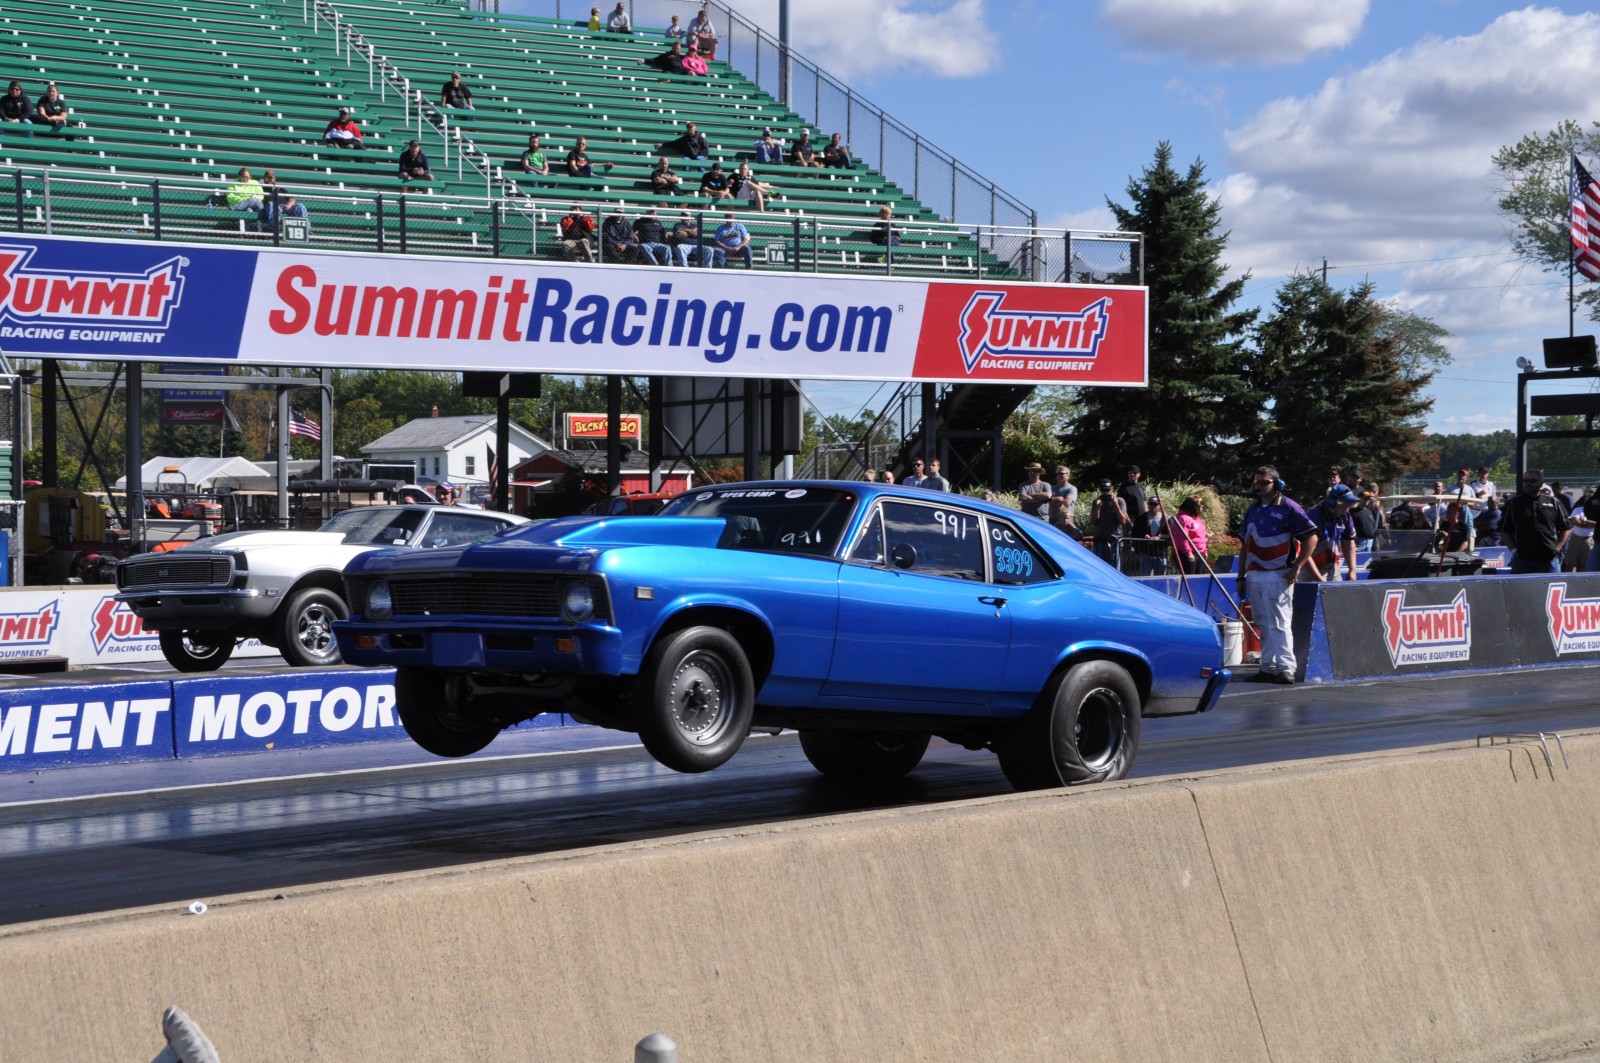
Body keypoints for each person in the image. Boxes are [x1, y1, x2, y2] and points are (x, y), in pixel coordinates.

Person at [1237, 466, 1318, 684]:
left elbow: (1312, 537)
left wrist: (1297, 567)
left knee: (1280, 622)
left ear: (1277, 484)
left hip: (1278, 573)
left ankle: (1286, 667)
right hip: (1254, 573)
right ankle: (1267, 666)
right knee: (1263, 622)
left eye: (1264, 482)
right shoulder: (1253, 509)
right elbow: (1244, 545)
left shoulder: (1288, 506)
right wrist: (1240, 576)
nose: (1259, 486)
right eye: (1256, 482)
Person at [1501, 468, 1569, 574]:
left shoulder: (1554, 502)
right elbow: (1504, 530)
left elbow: (1567, 527)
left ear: (1541, 483)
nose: (1528, 483)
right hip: (1523, 560)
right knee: (1520, 585)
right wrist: (1514, 550)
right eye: (1525, 481)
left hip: (1549, 560)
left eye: (1533, 481)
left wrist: (1557, 548)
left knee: (1552, 585)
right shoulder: (1514, 504)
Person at [1305, 484, 1359, 582]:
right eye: (1343, 506)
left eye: (1348, 506)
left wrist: (1352, 570)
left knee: (1337, 591)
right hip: (1308, 567)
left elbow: (1348, 542)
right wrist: (1319, 580)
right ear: (1332, 502)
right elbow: (1304, 552)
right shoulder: (1313, 517)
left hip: (1331, 567)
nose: (1346, 509)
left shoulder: (1345, 516)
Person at [1089, 479, 1130, 566]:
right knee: (1099, 566)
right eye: (1104, 490)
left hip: (1115, 540)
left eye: (1108, 490)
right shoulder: (1096, 501)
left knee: (1115, 567)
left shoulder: (1120, 501)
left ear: (1112, 489)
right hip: (1100, 540)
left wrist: (1116, 506)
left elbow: (1123, 521)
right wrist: (1098, 508)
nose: (1106, 493)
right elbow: (1093, 521)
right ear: (1100, 490)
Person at [1173, 495, 1209, 575]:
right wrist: (1188, 553)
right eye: (1200, 504)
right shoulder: (1183, 518)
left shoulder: (1197, 519)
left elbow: (1202, 535)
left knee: (1200, 577)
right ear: (1193, 506)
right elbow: (1181, 538)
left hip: (1200, 552)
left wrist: (1205, 551)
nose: (1202, 506)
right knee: (1190, 577)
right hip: (1189, 553)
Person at [1351, 487, 1384, 553]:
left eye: (1368, 499)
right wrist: (1353, 543)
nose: (1367, 501)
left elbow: (1374, 527)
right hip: (1359, 542)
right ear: (1359, 499)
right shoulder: (1353, 512)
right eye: (1365, 499)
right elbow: (1350, 528)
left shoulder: (1369, 511)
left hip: (1370, 542)